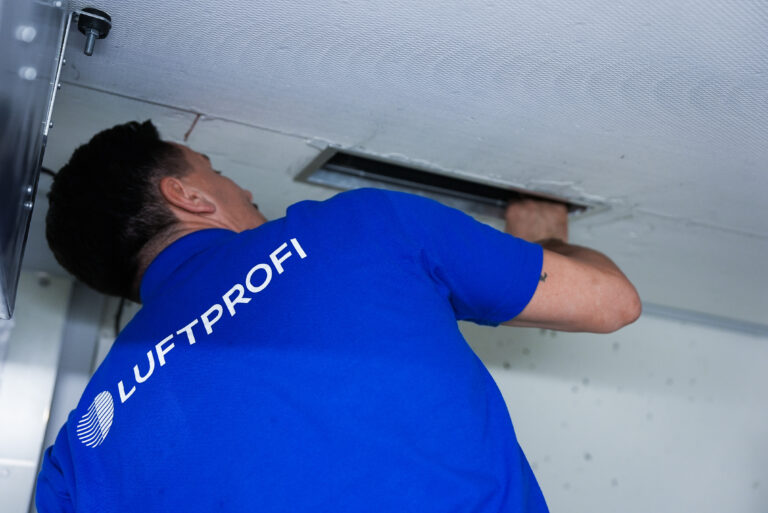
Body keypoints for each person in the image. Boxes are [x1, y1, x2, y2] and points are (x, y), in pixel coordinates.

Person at [37, 120, 640, 512]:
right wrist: (542, 243)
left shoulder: (78, 456)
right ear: (187, 196)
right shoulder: (357, 227)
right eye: (216, 170)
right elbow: (611, 301)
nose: (244, 189)